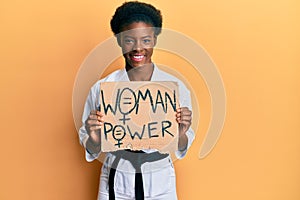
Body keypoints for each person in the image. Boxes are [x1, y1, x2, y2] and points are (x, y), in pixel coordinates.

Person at [78, 1, 195, 200]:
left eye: (146, 40)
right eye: (129, 40)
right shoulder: (102, 88)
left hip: (160, 179)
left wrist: (181, 132)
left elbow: (181, 144)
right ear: (119, 41)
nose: (138, 48)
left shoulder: (174, 87)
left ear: (155, 40)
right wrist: (95, 138)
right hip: (116, 177)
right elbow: (91, 147)